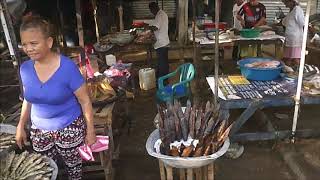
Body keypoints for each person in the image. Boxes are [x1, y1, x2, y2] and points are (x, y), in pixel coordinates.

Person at [15, 16, 96, 180]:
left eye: (33, 43)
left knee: (74, 170)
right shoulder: (25, 69)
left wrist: (91, 130)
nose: (28, 48)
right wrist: (20, 125)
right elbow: (28, 99)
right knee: (45, 171)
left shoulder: (67, 68)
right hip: (38, 131)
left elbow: (85, 100)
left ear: (49, 42)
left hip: (69, 127)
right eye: (24, 44)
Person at [146, 2, 170, 79]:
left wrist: (147, 27)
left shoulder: (160, 15)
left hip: (161, 43)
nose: (151, 12)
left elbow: (156, 27)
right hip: (163, 42)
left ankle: (162, 79)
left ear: (153, 8)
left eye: (151, 10)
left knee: (162, 63)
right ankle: (163, 77)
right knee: (163, 62)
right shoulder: (161, 14)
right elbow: (156, 25)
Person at [281, 0, 305, 67]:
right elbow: (285, 22)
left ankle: (297, 73)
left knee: (295, 58)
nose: (284, 4)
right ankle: (290, 71)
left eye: (285, 2)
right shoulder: (291, 11)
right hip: (289, 39)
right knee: (288, 58)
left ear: (292, 1)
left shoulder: (298, 10)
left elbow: (302, 23)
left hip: (295, 39)